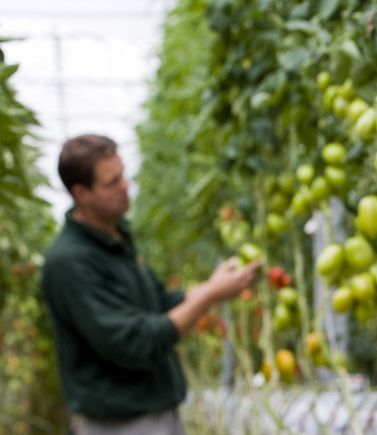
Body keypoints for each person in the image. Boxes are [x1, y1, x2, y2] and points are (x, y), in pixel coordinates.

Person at [41, 134, 261, 435]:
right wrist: (210, 294)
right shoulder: (70, 262)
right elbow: (136, 343)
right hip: (119, 424)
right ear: (81, 193)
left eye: (123, 175)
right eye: (111, 182)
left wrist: (214, 285)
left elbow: (161, 304)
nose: (125, 187)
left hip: (154, 413)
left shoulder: (117, 240)